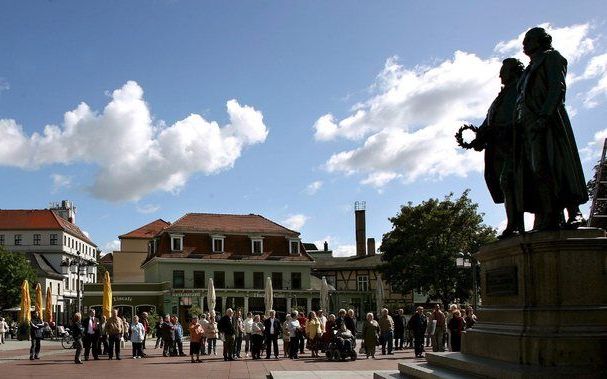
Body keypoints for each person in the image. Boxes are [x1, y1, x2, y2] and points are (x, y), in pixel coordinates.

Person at [513, 27, 588, 231]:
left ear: (541, 41)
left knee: (559, 165)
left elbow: (557, 88)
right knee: (539, 170)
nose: (524, 45)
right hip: (529, 127)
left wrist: (544, 115)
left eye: (528, 40)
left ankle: (574, 212)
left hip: (547, 121)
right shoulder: (528, 69)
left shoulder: (551, 57)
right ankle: (550, 214)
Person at [469, 57, 526, 237]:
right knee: (506, 184)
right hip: (501, 148)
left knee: (515, 182)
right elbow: (488, 121)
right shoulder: (500, 97)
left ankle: (520, 223)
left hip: (519, 145)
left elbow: (524, 113)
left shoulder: (522, 89)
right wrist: (480, 137)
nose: (500, 74)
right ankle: (514, 224)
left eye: (504, 70)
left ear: (514, 71)